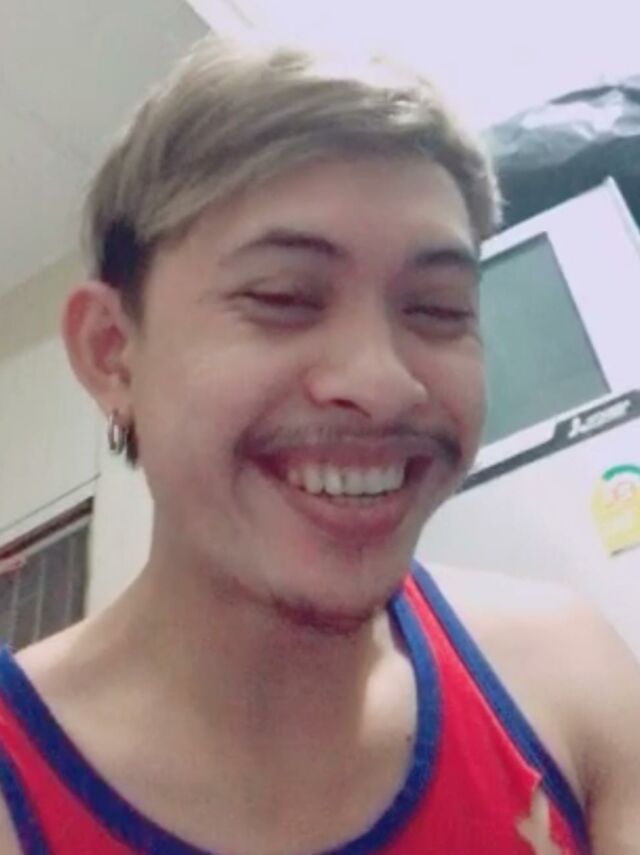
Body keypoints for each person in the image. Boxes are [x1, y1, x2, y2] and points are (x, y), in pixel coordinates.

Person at [0, 34, 639, 855]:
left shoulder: (566, 681)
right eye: (283, 296)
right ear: (113, 353)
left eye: (439, 308)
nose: (383, 382)